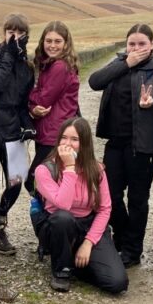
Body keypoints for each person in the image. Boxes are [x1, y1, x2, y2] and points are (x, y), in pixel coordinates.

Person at [88, 23, 153, 267]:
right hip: (116, 142)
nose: (136, 49)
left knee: (137, 198)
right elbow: (94, 81)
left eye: (142, 44)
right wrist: (126, 63)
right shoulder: (119, 65)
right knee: (108, 195)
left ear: (152, 45)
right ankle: (123, 237)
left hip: (144, 145)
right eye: (132, 44)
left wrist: (149, 98)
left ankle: (132, 251)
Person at [31, 117, 128, 294]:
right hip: (58, 226)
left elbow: (105, 208)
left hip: (87, 226)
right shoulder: (44, 170)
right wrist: (69, 168)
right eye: (64, 138)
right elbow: (63, 204)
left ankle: (77, 263)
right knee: (63, 218)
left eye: (75, 139)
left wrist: (88, 243)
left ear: (84, 144)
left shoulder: (96, 170)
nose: (68, 144)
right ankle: (62, 271)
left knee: (117, 283)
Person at [0, 13, 36, 255]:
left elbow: (21, 103)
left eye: (20, 33)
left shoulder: (27, 67)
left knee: (18, 179)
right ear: (4, 33)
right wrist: (10, 54)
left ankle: (1, 212)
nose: (15, 36)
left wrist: (28, 123)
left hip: (12, 129)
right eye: (10, 31)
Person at [26, 21, 80, 193]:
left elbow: (43, 99)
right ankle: (50, 214)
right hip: (49, 130)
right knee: (50, 178)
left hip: (55, 133)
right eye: (48, 41)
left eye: (57, 41)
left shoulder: (59, 66)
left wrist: (29, 95)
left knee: (35, 179)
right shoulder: (50, 65)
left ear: (66, 44)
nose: (52, 45)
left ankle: (48, 215)